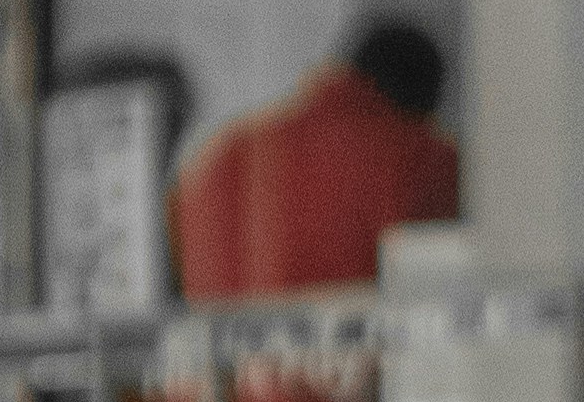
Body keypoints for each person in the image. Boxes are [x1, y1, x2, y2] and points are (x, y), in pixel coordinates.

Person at [171, 16, 462, 306]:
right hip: (359, 334)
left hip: (220, 333)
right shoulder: (423, 158)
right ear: (425, 98)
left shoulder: (231, 151)